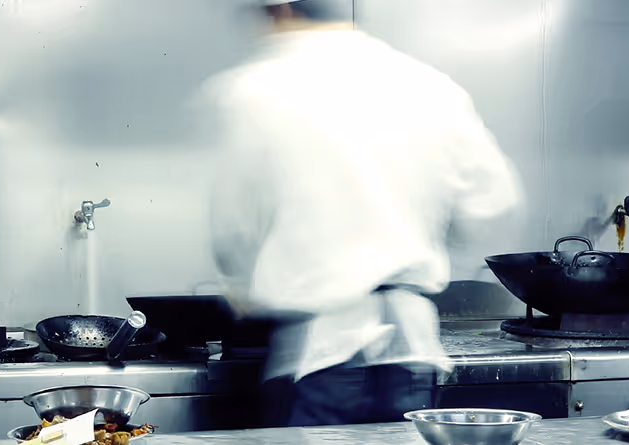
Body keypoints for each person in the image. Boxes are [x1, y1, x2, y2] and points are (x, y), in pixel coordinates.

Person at [205, 0, 523, 427]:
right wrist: (410, 239)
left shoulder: (257, 89)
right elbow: (492, 203)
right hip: (412, 347)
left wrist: (246, 283)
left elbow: (235, 227)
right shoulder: (429, 86)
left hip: (321, 350)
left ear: (280, 12)